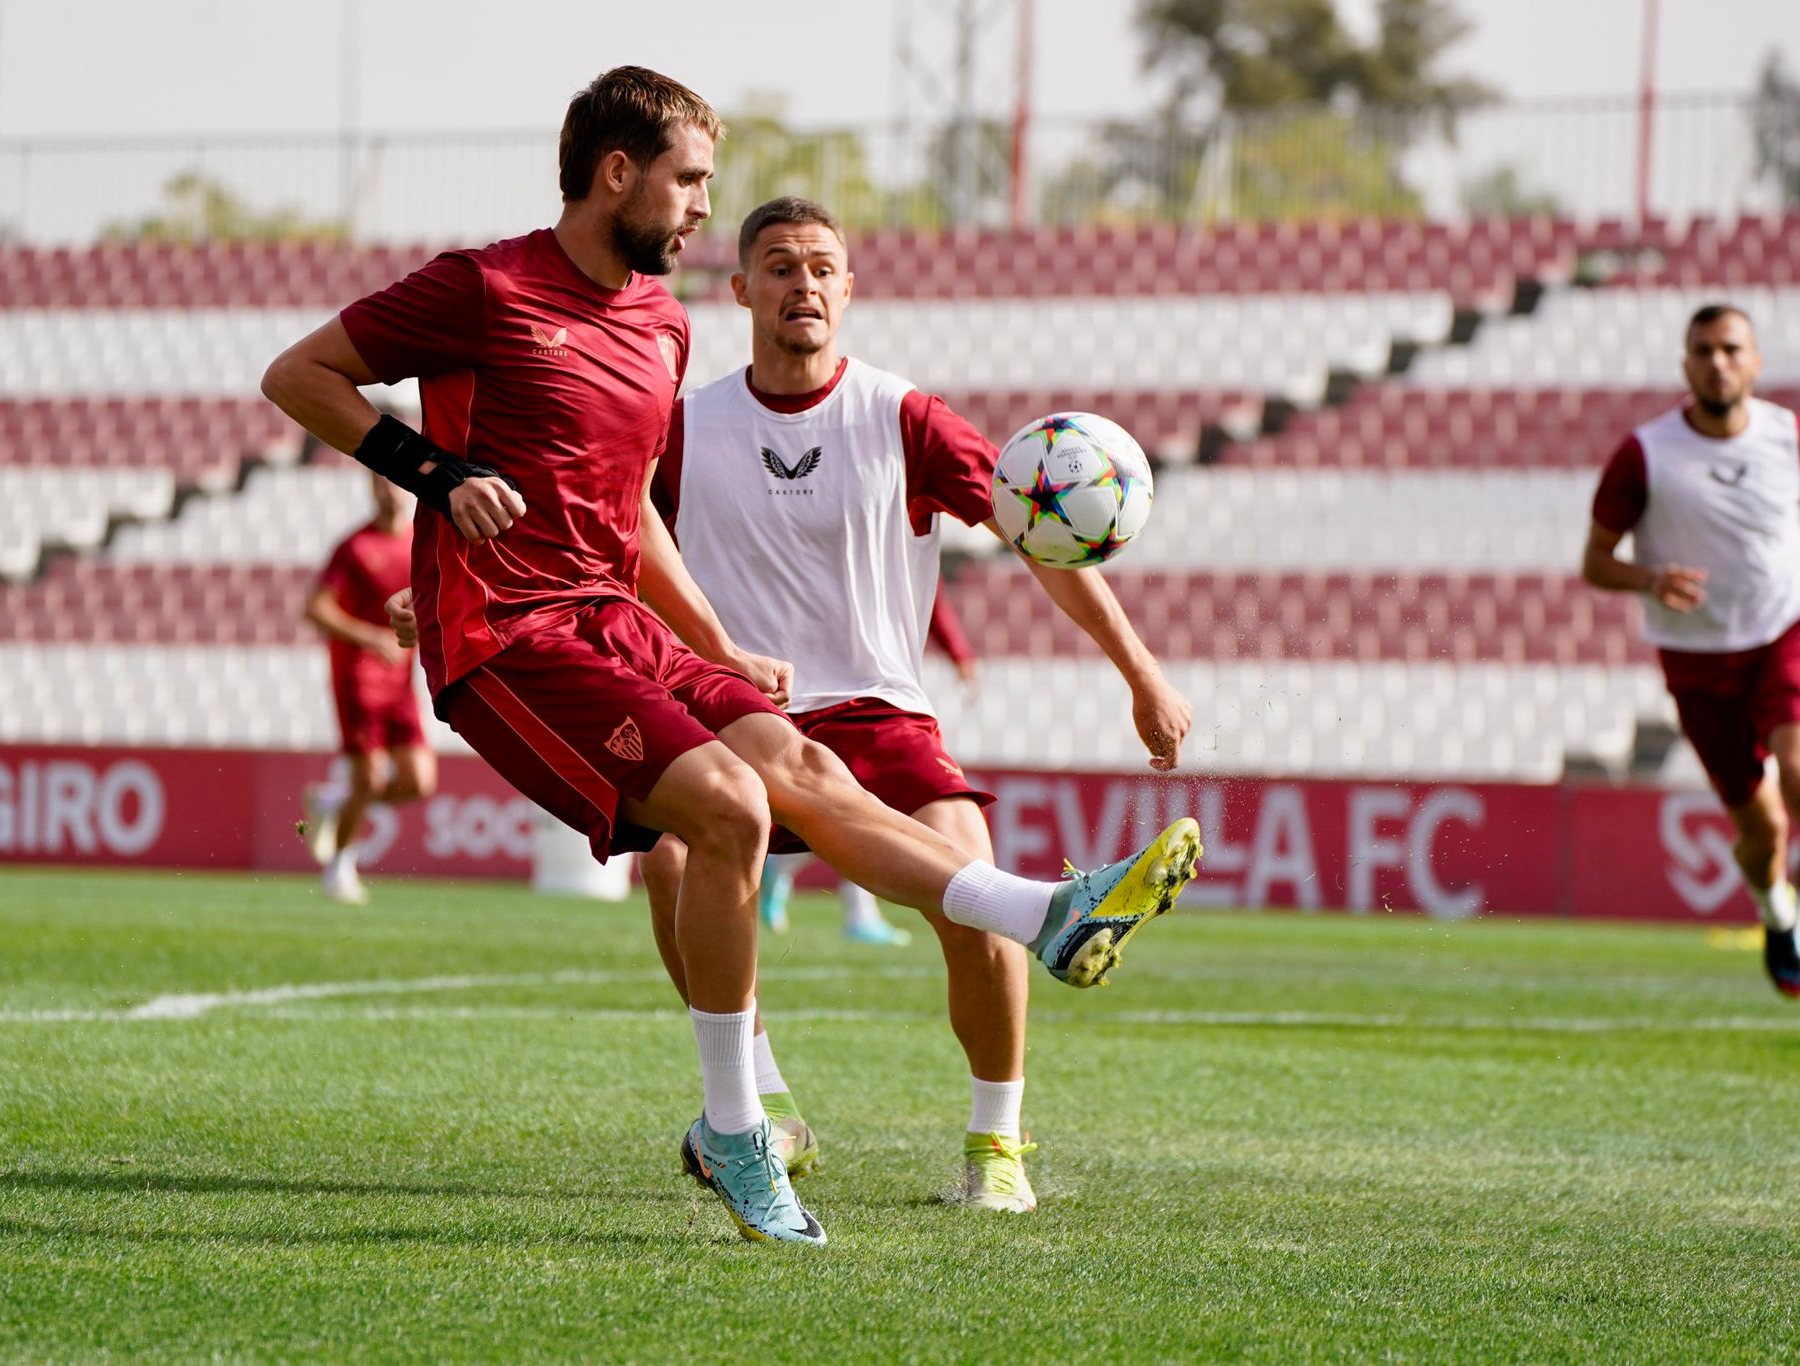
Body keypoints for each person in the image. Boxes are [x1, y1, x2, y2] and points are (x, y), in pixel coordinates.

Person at [264, 66, 1198, 1249]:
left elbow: (625, 515)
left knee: (800, 771)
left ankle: (1043, 919)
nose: (703, 206)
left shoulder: (659, 323)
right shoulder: (481, 288)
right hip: (510, 637)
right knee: (724, 811)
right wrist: (436, 483)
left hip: (624, 626)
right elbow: (297, 375)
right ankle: (741, 1127)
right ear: (619, 174)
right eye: (690, 179)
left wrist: (713, 647)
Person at [637, 195, 1198, 1212]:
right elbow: (606, 537)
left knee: (972, 897)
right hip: (733, 710)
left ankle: (995, 1145)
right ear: (738, 292)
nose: (800, 282)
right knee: (668, 864)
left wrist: (1139, 671)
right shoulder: (680, 425)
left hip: (879, 713)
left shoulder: (904, 416)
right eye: (777, 266)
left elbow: (1042, 539)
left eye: (820, 267)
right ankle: (760, 1111)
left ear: (847, 290)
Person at [1583, 303, 1800, 998]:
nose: (1718, 362)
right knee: (1765, 834)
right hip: (1697, 661)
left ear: (1754, 361)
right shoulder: (1646, 454)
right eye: (1703, 351)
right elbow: (1595, 563)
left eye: (1730, 349)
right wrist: (1648, 577)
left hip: (1788, 627)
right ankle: (1779, 911)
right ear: (1685, 365)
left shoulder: (1791, 437)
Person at [755, 589, 980, 948]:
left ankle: (791, 874)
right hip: (853, 688)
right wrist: (958, 652)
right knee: (862, 808)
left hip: (838, 682)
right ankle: (853, 909)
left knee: (853, 807)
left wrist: (958, 652)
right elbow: (929, 594)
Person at [300, 471, 437, 905]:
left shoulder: (421, 542)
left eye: (397, 483)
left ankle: (332, 803)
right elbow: (315, 610)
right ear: (372, 488)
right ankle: (339, 868)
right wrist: (372, 637)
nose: (390, 490)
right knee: (371, 775)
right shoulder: (354, 547)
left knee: (419, 780)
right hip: (358, 676)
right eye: (382, 482)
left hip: (401, 682)